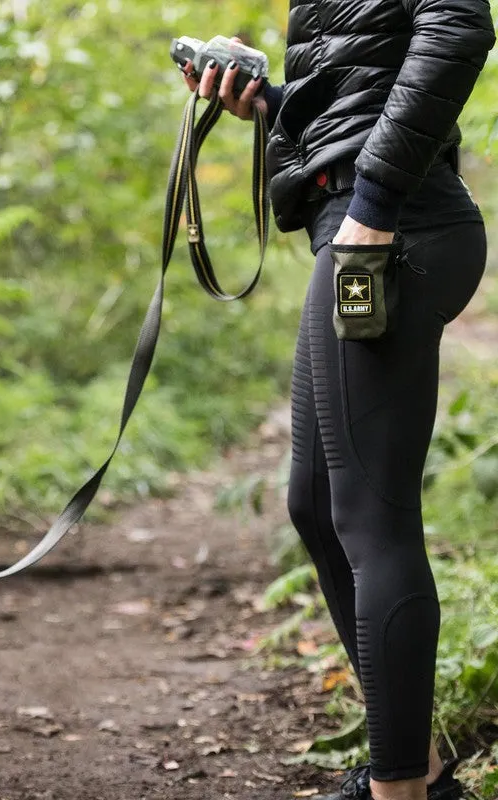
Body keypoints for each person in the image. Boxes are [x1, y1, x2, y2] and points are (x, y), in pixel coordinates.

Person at [182, 3, 495, 800]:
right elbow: (362, 90)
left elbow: (458, 29)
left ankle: (401, 794)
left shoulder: (384, 206)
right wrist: (273, 103)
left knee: (370, 517)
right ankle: (415, 767)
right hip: (359, 219)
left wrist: (376, 202)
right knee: (317, 504)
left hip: (394, 225)